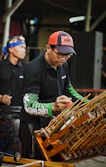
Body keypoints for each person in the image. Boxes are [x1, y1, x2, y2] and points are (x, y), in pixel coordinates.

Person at [19, 30, 88, 159]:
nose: (63, 58)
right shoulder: (33, 69)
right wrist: (54, 107)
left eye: (67, 55)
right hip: (33, 125)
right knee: (34, 161)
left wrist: (88, 104)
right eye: (59, 54)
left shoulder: (64, 65)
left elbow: (69, 90)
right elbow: (29, 105)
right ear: (48, 48)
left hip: (53, 124)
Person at [0, 35, 27, 154]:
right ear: (10, 49)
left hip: (18, 116)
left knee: (15, 150)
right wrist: (0, 97)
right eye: (21, 47)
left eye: (25, 48)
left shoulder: (27, 68)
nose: (24, 50)